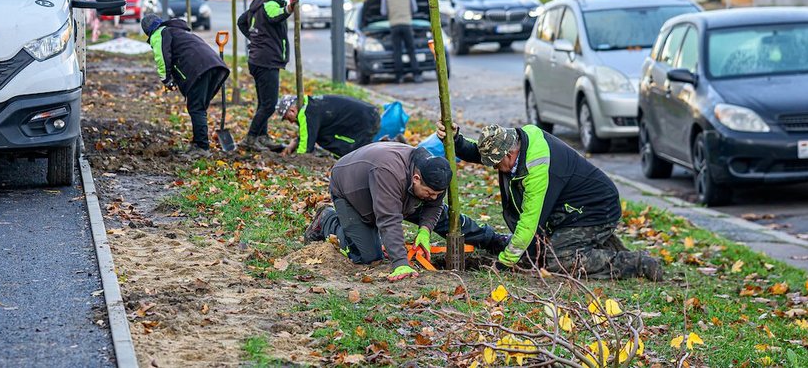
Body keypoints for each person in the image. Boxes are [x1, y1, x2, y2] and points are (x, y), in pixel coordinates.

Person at [437, 121, 663, 281]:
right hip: (568, 208)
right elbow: (481, 153)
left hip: (595, 209)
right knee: (537, 250)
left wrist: (503, 263)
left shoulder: (537, 169)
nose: (494, 168)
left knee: (558, 260)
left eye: (496, 164)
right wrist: (456, 140)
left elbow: (529, 222)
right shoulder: (515, 143)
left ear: (509, 155)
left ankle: (634, 263)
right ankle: (591, 244)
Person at [303, 143, 509, 281]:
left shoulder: (433, 170)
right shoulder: (389, 173)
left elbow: (435, 204)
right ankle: (328, 219)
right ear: (416, 178)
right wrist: (401, 263)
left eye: (437, 193)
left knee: (445, 216)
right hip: (352, 191)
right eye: (429, 192)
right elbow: (388, 219)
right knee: (368, 256)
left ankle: (492, 240)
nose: (432, 196)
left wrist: (425, 231)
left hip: (399, 194)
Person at [142, 14, 229, 158]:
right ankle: (198, 143)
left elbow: (162, 57)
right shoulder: (178, 31)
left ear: (148, 31)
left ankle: (201, 147)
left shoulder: (160, 34)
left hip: (200, 69)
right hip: (215, 66)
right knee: (199, 108)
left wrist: (166, 79)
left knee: (196, 108)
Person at [237, 0, 299, 151]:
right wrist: (290, 7)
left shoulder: (256, 5)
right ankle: (250, 139)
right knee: (269, 104)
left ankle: (262, 136)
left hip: (257, 59)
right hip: (267, 61)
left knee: (263, 102)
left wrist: (255, 38)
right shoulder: (268, 5)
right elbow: (277, 16)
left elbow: (241, 22)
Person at [277, 94, 381, 158]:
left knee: (360, 154)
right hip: (368, 114)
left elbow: (305, 148)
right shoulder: (310, 105)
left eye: (287, 118)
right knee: (323, 135)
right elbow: (310, 132)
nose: (290, 122)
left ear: (292, 110)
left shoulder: (306, 113)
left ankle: (387, 148)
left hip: (365, 120)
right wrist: (294, 143)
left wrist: (296, 159)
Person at [380, 0, 423, 84]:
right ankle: (416, 74)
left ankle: (399, 76)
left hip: (394, 25)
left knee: (397, 51)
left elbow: (383, 12)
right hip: (407, 24)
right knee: (411, 49)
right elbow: (415, 9)